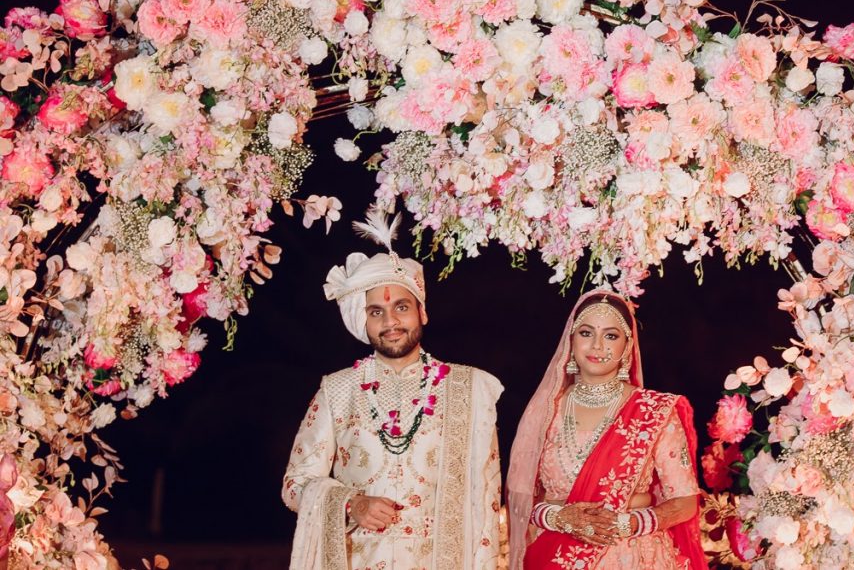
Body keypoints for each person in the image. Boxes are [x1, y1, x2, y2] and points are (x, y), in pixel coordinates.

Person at [282, 210, 504, 570]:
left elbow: (487, 497)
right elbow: (295, 484)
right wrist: (351, 503)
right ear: (363, 320)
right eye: (376, 312)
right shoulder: (337, 390)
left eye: (401, 307)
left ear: (422, 312)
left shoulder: (470, 388)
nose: (390, 322)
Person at [506, 290, 708, 570]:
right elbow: (523, 499)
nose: (597, 345)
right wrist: (559, 518)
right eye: (586, 333)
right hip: (554, 552)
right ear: (571, 340)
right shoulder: (544, 411)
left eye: (611, 336)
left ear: (627, 346)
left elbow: (685, 501)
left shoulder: (653, 410)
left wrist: (627, 523)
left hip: (630, 555)